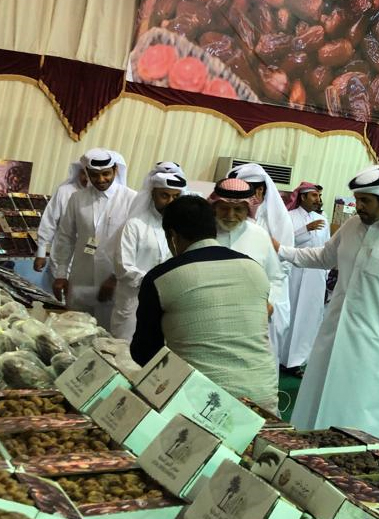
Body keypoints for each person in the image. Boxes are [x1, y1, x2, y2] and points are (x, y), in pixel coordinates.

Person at [280, 165, 379, 444]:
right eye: (357, 199)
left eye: (365, 201)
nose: (358, 206)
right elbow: (324, 257)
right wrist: (281, 250)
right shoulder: (351, 227)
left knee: (362, 416)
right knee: (319, 403)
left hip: (377, 349)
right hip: (333, 337)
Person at [130, 196, 278, 412]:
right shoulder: (253, 268)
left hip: (201, 404)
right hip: (263, 398)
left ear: (172, 235)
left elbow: (145, 351)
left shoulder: (162, 277)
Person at [51, 149, 136, 329]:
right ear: (87, 173)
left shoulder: (131, 199)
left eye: (106, 174)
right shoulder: (77, 198)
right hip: (81, 276)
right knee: (74, 331)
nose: (101, 180)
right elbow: (65, 237)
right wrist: (60, 274)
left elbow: (134, 246)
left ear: (115, 170)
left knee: (107, 336)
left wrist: (115, 278)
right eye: (95, 175)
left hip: (113, 281)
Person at [227, 164, 295, 368]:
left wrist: (267, 300)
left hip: (266, 302)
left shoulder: (278, 219)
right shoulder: (232, 217)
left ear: (259, 190)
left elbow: (282, 269)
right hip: (232, 299)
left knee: (261, 359)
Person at [110, 163, 187, 340]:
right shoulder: (135, 225)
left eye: (176, 196)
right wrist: (156, 282)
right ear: (153, 194)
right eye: (164, 196)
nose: (170, 202)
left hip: (166, 306)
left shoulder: (182, 230)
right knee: (124, 353)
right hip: (133, 303)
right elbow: (123, 267)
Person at [209, 179, 285, 321]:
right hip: (208, 316)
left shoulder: (260, 236)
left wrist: (269, 302)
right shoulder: (201, 233)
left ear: (248, 210)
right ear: (215, 207)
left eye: (238, 209)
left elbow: (275, 278)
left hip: (249, 318)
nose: (230, 215)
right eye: (224, 208)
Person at [281, 181, 330, 376]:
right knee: (292, 315)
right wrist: (305, 230)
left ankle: (299, 360)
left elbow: (326, 248)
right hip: (295, 274)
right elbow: (284, 244)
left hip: (315, 276)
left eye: (318, 196)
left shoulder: (323, 220)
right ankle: (283, 357)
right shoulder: (289, 217)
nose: (318, 199)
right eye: (314, 196)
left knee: (309, 317)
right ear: (302, 197)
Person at [33, 161, 88, 291]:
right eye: (82, 173)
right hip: (60, 257)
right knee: (53, 301)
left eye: (89, 174)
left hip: (88, 264)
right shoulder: (65, 191)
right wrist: (41, 252)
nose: (86, 178)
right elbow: (49, 221)